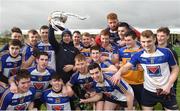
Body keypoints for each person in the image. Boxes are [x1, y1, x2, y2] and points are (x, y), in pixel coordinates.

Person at [112, 30, 179, 110]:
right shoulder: (138, 55)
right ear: (140, 41)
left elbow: (175, 69)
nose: (146, 44)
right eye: (143, 42)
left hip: (166, 89)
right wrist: (118, 73)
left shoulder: (166, 52)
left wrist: (168, 85)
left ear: (154, 39)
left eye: (149, 41)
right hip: (148, 91)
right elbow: (126, 66)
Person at [117, 30, 144, 109]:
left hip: (140, 83)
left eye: (129, 40)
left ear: (135, 39)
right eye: (125, 40)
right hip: (126, 83)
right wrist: (119, 65)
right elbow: (119, 63)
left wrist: (143, 67)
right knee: (129, 106)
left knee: (144, 105)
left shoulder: (142, 51)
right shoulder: (121, 51)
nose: (126, 42)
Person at [156, 27, 179, 94]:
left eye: (162, 36)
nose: (159, 38)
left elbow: (175, 69)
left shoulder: (171, 51)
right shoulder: (153, 49)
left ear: (168, 37)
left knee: (168, 100)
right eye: (158, 35)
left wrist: (170, 84)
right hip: (155, 79)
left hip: (168, 80)